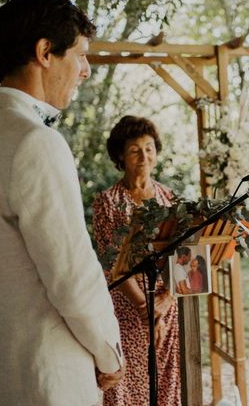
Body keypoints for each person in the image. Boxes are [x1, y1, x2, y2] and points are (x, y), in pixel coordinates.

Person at [0, 0, 124, 405]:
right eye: (80, 55)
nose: (85, 70)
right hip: (47, 376)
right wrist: (109, 353)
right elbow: (71, 275)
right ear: (46, 51)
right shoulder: (36, 143)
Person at [92, 115, 181, 406]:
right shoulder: (108, 202)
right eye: (134, 149)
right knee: (128, 386)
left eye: (149, 147)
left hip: (166, 302)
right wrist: (146, 307)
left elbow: (182, 256)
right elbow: (111, 263)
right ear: (120, 155)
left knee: (166, 383)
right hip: (127, 304)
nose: (144, 155)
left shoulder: (170, 197)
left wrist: (165, 301)